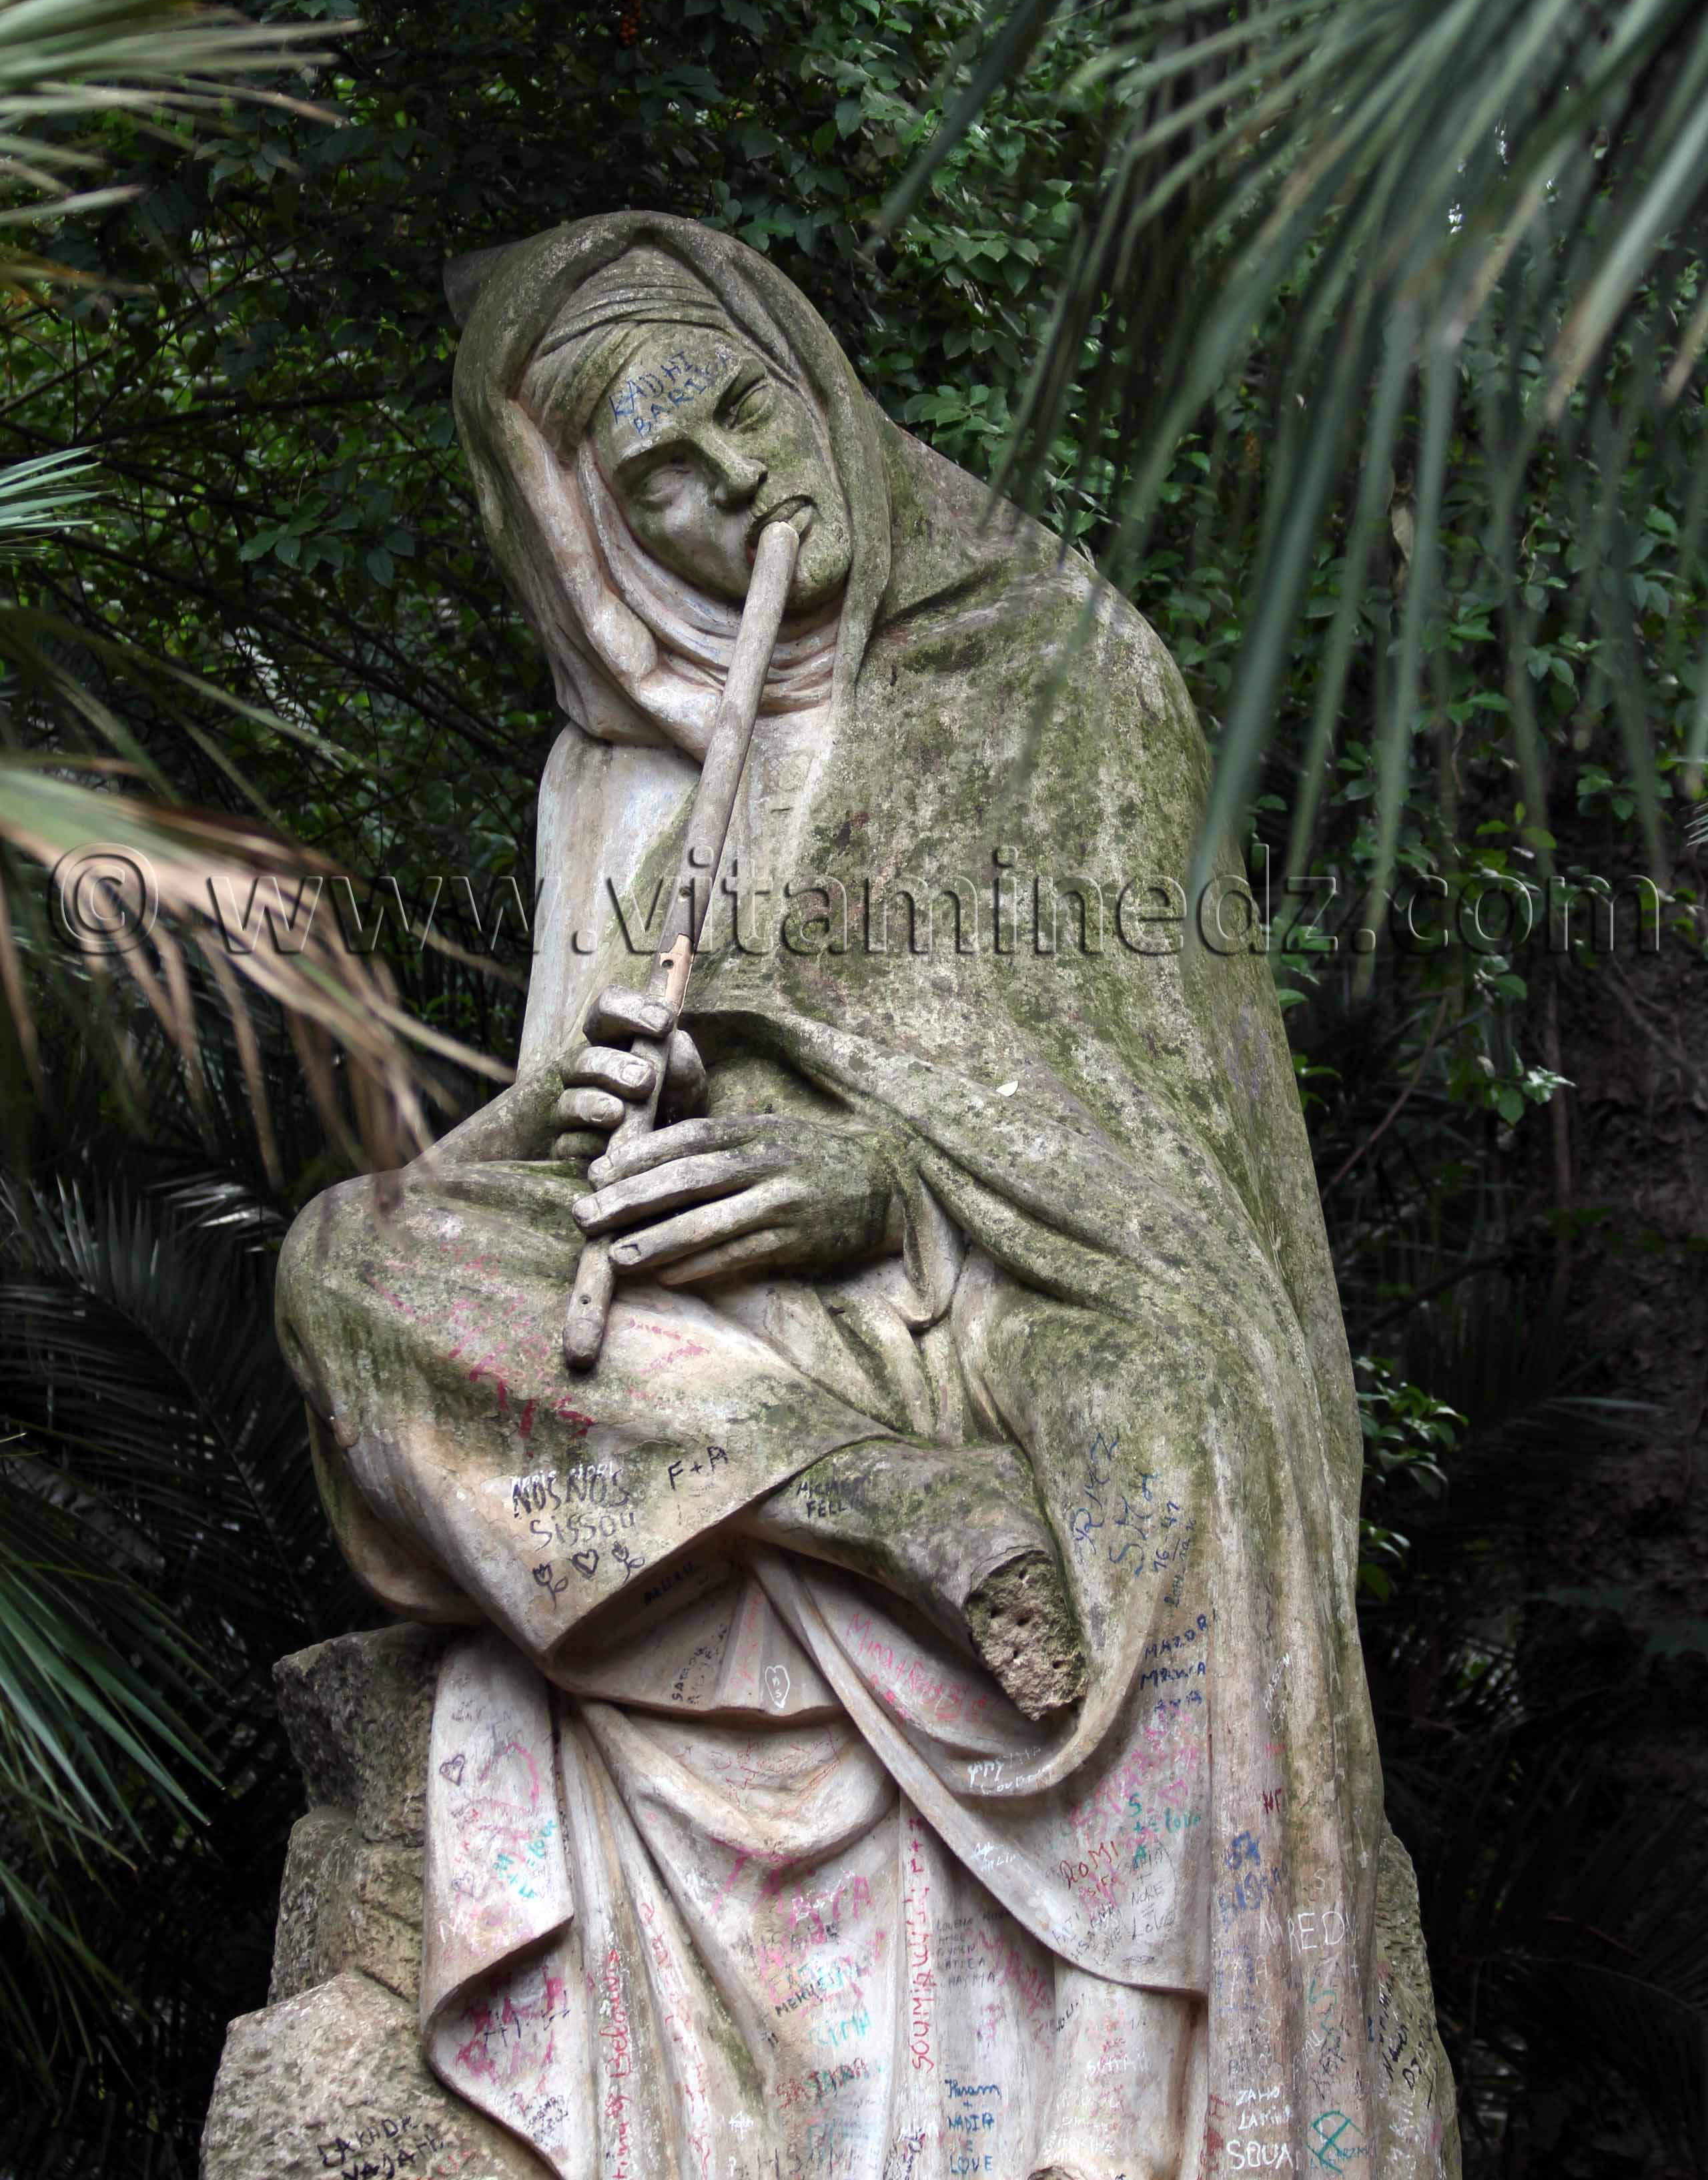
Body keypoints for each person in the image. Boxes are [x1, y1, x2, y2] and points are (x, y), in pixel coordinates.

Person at [278, 213, 1456, 2180]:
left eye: (741, 407)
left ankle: (1116, 2083)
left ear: (809, 376)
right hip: (738, 1373)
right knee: (350, 1261)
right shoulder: (608, 780)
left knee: (1165, 1430)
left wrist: (886, 1169)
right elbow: (568, 1173)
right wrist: (583, 1108)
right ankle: (883, 1510)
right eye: (666, 469)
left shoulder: (1054, 664)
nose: (737, 476)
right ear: (599, 536)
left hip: (1008, 1299)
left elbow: (1174, 1153)